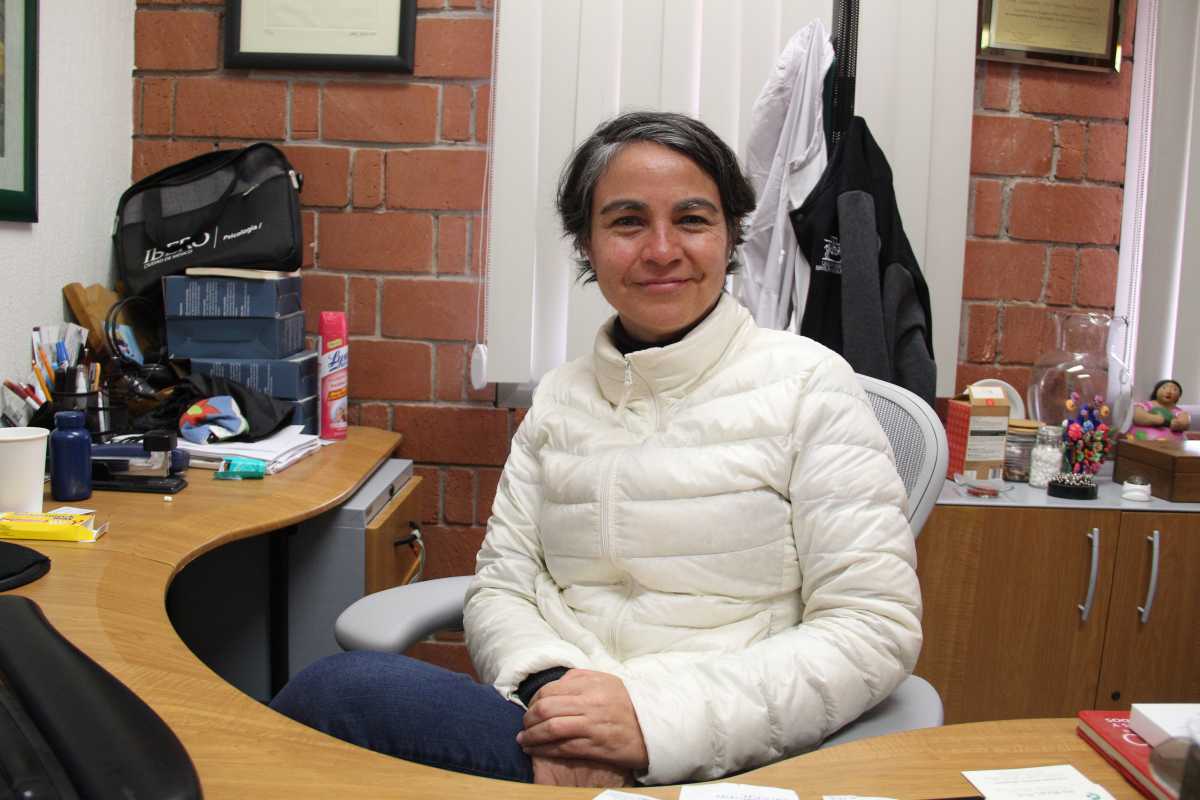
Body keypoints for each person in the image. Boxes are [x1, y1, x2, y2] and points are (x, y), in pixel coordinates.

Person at [270, 111, 922, 788]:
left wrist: (650, 723)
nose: (662, 249)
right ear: (586, 243)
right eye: (628, 221)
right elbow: (503, 586)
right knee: (326, 713)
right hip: (549, 725)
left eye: (693, 219)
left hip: (721, 749)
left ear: (730, 234)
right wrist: (554, 693)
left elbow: (872, 626)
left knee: (337, 700)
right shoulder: (560, 399)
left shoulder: (809, 386)